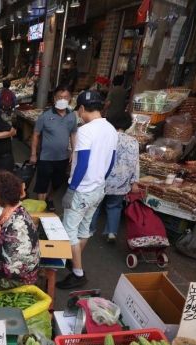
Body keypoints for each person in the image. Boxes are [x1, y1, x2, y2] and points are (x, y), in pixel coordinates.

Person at [57, 90, 118, 290]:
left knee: (69, 231)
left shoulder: (85, 130)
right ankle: (75, 260)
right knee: (84, 228)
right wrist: (101, 180)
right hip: (99, 188)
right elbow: (111, 162)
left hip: (82, 189)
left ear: (82, 109)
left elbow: (82, 164)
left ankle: (78, 273)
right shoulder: (111, 130)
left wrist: (71, 189)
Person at [89, 112, 140, 242]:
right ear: (127, 125)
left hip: (102, 178)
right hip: (122, 182)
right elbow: (136, 163)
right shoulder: (133, 141)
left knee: (95, 205)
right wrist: (135, 182)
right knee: (115, 206)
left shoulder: (106, 137)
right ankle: (111, 232)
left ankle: (90, 229)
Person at [30, 86, 78, 210]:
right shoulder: (45, 116)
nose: (63, 100)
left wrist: (74, 151)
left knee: (58, 183)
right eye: (60, 97)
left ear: (70, 99)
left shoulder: (72, 116)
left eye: (66, 97)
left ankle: (50, 198)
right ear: (54, 98)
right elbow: (36, 135)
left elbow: (73, 134)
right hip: (45, 157)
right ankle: (41, 208)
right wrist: (33, 154)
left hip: (62, 157)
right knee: (42, 184)